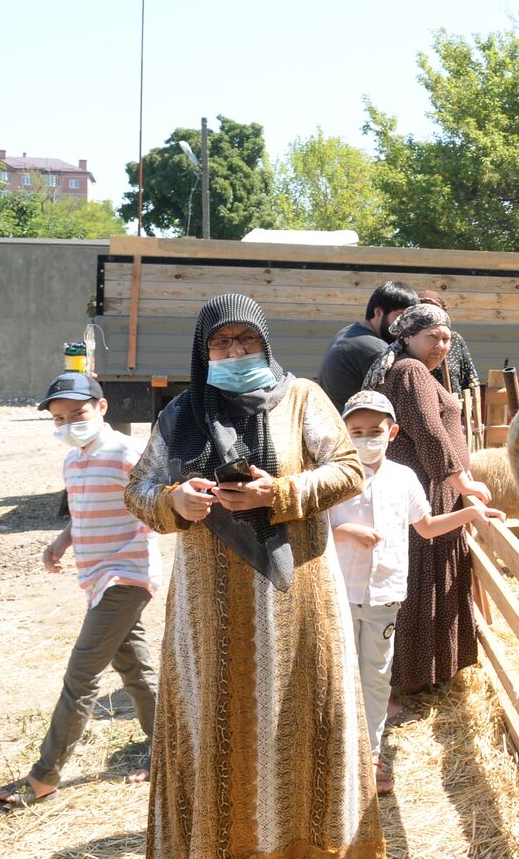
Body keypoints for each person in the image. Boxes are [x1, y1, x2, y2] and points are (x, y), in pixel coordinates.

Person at [125, 294, 381, 858]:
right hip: (207, 615)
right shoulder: (181, 414)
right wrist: (174, 501)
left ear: (266, 342)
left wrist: (279, 492)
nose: (235, 351)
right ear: (204, 351)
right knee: (215, 724)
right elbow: (138, 489)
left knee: (301, 716)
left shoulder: (302, 398)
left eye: (247, 339)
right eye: (221, 342)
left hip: (298, 603)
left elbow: (349, 470)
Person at [0, 374, 161, 806]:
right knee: (136, 671)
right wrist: (62, 541)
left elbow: (159, 500)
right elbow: (83, 511)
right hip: (98, 581)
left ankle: (44, 776)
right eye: (60, 418)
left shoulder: (127, 452)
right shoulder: (73, 460)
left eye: (78, 413)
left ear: (102, 408)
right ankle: (167, 750)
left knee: (80, 677)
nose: (69, 424)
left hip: (126, 576)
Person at [331, 389, 504, 794]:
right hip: (339, 592)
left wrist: (470, 512)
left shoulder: (403, 477)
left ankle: (371, 756)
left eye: (375, 430)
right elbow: (312, 526)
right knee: (340, 675)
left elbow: (425, 527)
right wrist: (345, 530)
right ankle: (339, 757)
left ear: (392, 433)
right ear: (343, 433)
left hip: (385, 594)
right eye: (357, 431)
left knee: (376, 677)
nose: (367, 438)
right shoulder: (336, 478)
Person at [363, 304, 493, 697]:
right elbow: (428, 430)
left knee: (425, 577)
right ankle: (410, 677)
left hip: (431, 484)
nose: (440, 345)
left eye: (446, 338)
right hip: (429, 487)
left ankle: (422, 673)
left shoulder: (410, 368)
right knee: (423, 579)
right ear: (407, 337)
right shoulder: (410, 371)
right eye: (431, 337)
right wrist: (462, 480)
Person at [318, 281, 419, 411]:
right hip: (351, 422)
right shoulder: (376, 350)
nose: (407, 324)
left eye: (411, 318)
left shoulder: (351, 331)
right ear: (378, 312)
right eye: (400, 316)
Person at [418, 290, 480, 394]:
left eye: (435, 312)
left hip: (455, 401)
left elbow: (470, 378)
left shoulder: (454, 339)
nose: (430, 317)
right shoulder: (411, 338)